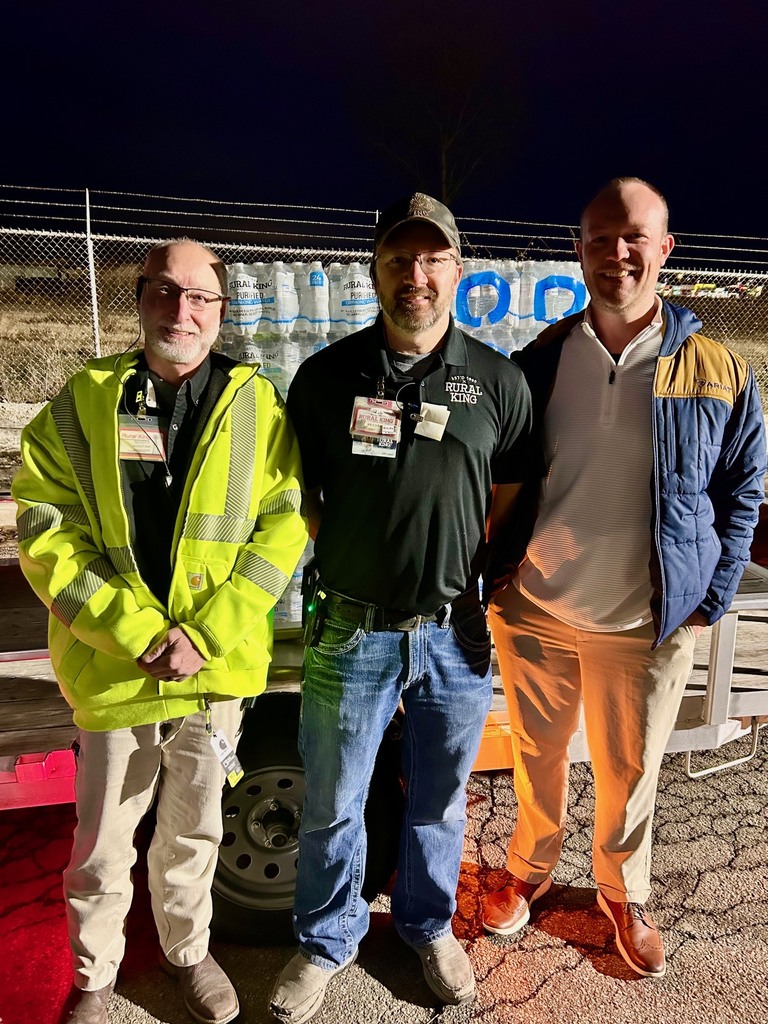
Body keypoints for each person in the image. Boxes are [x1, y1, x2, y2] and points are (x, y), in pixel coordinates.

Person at [12, 239, 308, 1024]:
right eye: (164, 292)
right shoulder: (85, 401)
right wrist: (139, 633)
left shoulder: (256, 403)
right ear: (140, 298)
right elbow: (44, 527)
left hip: (212, 673)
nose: (182, 310)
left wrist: (204, 636)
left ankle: (188, 954)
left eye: (200, 297)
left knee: (194, 832)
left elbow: (281, 531)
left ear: (220, 308)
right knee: (105, 844)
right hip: (118, 668)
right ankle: (92, 976)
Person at [483, 178, 766, 978]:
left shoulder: (714, 369)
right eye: (601, 236)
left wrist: (709, 598)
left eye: (635, 236)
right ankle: (531, 868)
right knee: (536, 756)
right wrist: (497, 582)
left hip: (645, 621)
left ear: (665, 249)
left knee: (629, 772)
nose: (618, 252)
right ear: (579, 249)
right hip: (534, 609)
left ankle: (621, 889)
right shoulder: (538, 361)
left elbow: (743, 485)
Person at [269, 193, 533, 1022]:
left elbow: (506, 495)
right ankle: (325, 940)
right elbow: (301, 496)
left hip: (455, 635)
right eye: (398, 259)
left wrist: (449, 566)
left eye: (432, 259)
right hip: (351, 630)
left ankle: (425, 927)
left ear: (458, 267)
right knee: (333, 800)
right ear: (375, 268)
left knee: (439, 799)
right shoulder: (325, 377)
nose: (415, 276)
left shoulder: (498, 380)